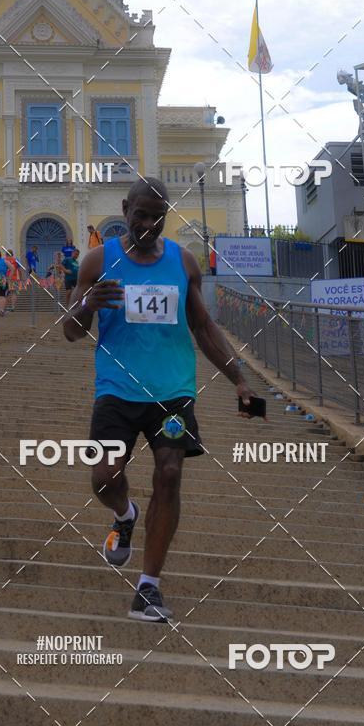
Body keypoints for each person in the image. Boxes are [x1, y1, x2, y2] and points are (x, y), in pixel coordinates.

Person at [64, 177, 262, 622]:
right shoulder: (98, 261)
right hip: (116, 389)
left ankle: (148, 587)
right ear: (125, 209)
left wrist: (238, 379)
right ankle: (126, 513)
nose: (149, 224)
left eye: (158, 217)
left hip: (173, 393)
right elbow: (72, 331)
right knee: (103, 477)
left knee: (169, 473)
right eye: (141, 215)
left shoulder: (182, 262)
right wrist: (87, 304)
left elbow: (204, 327)